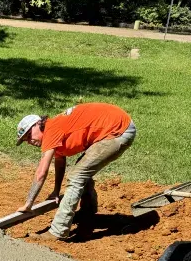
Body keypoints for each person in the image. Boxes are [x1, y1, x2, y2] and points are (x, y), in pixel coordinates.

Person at [16, 102, 137, 240]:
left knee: (77, 175)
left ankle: (58, 231)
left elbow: (41, 173)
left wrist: (28, 204)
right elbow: (60, 161)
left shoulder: (50, 130)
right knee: (81, 170)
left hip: (118, 130)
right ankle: (87, 213)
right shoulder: (54, 129)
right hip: (116, 126)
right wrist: (56, 190)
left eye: (29, 135)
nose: (29, 141)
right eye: (26, 140)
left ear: (38, 124)